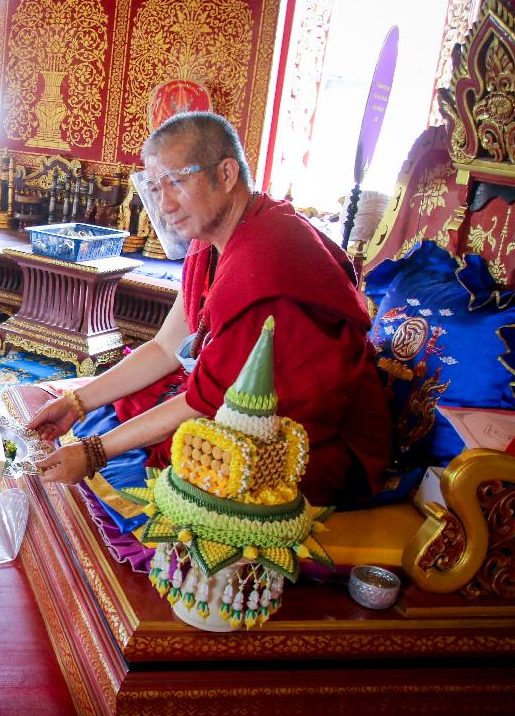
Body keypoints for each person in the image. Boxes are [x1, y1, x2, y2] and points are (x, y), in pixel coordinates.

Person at [29, 112, 390, 506]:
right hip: (231, 397)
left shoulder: (266, 260)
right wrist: (76, 402)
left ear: (226, 174)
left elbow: (205, 402)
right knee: (139, 403)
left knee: (195, 467)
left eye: (177, 183)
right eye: (156, 188)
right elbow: (167, 347)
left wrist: (94, 452)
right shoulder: (209, 238)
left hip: (310, 437)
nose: (165, 204)